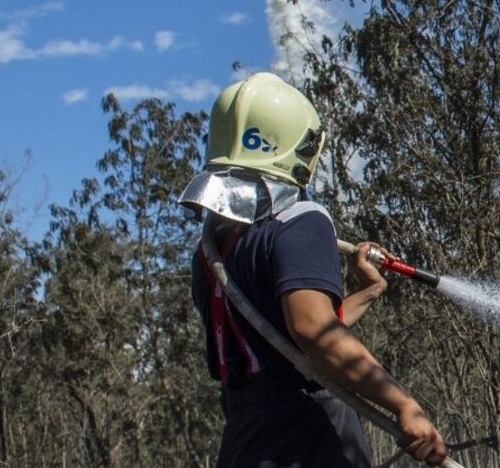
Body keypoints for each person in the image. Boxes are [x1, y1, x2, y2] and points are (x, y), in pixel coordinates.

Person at [182, 71, 448, 467]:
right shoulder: (300, 220)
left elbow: (285, 337)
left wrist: (369, 291)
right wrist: (403, 404)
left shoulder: (211, 252)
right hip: (307, 434)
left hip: (245, 439)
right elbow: (313, 332)